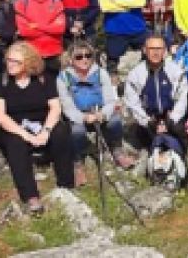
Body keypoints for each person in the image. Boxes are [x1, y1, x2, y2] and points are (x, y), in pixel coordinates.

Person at [0, 41, 74, 214]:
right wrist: (27, 136)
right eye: (8, 60)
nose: (10, 64)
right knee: (16, 142)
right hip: (13, 126)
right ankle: (30, 196)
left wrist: (46, 131)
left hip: (41, 124)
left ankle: (66, 184)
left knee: (61, 132)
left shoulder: (44, 79)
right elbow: (0, 116)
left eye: (16, 61)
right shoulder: (0, 81)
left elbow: (55, 107)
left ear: (29, 62)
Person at [57, 41, 135, 187]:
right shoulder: (64, 78)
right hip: (79, 115)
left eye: (88, 55)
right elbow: (67, 106)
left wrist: (103, 114)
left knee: (115, 120)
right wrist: (83, 117)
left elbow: (110, 101)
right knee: (77, 131)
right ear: (71, 60)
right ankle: (78, 162)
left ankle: (117, 150)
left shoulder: (100, 73)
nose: (84, 59)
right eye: (79, 57)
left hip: (99, 112)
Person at [124, 35, 188, 150]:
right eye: (152, 48)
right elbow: (132, 104)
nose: (156, 52)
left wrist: (171, 120)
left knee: (177, 135)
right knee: (153, 145)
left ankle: (182, 159)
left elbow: (182, 99)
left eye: (159, 49)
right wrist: (149, 122)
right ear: (144, 50)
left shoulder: (176, 71)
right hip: (148, 118)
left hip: (171, 116)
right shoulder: (135, 74)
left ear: (165, 51)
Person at [15, 0, 66, 74]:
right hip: (31, 54)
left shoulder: (56, 3)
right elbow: (25, 31)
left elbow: (60, 29)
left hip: (54, 54)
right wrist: (49, 26)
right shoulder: (21, 4)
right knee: (33, 88)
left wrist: (36, 26)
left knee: (53, 88)